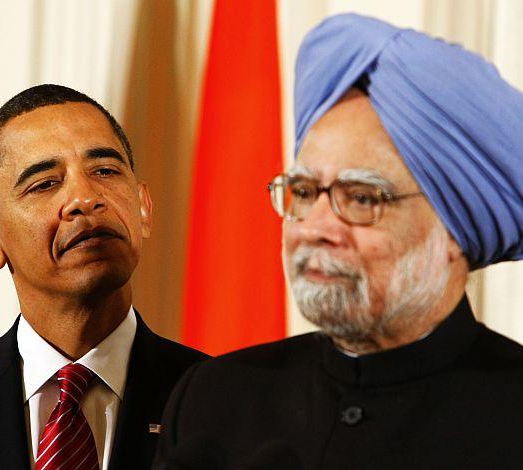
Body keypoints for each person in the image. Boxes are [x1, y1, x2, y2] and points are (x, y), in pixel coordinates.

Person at [154, 14, 523, 470]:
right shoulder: (214, 399)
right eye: (305, 192)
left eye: (362, 198)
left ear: (452, 230)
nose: (316, 226)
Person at [0, 84, 207, 470]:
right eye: (45, 183)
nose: (86, 198)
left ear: (143, 207)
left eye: (105, 170)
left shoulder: (228, 402)